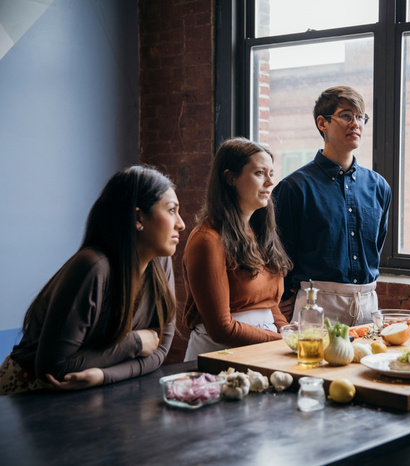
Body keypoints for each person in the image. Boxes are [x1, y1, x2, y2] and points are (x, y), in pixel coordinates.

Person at [0, 166, 184, 395]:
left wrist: (102, 375)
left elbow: (159, 351)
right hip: (28, 394)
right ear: (138, 217)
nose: (181, 223)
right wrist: (136, 343)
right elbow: (53, 368)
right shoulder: (93, 267)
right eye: (171, 210)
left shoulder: (159, 263)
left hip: (91, 393)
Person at [272, 86, 391, 326]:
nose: (355, 123)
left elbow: (377, 245)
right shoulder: (294, 188)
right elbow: (278, 255)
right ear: (322, 123)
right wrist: (284, 299)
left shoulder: (378, 186)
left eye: (360, 117)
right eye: (346, 115)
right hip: (316, 303)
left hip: (368, 303)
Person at [183, 138, 292, 361]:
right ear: (230, 178)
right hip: (218, 355)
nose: (270, 182)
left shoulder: (260, 233)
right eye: (260, 173)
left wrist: (289, 332)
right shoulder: (207, 240)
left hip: (262, 350)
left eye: (272, 173)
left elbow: (270, 306)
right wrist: (282, 341)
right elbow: (222, 329)